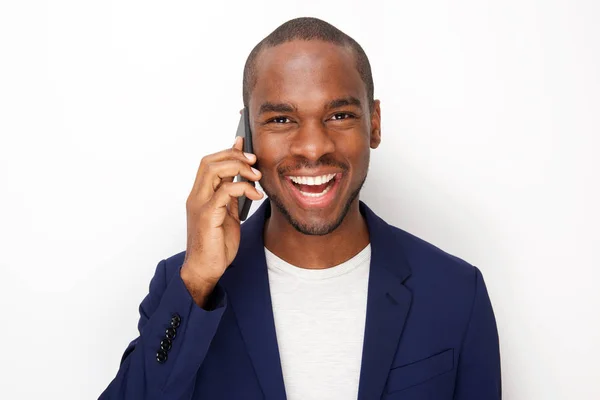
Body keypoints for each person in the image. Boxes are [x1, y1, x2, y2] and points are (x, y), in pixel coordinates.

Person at [100, 17, 501, 400]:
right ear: (248, 134)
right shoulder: (185, 284)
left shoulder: (455, 292)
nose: (313, 147)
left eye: (340, 115)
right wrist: (197, 282)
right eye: (281, 119)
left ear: (374, 124)